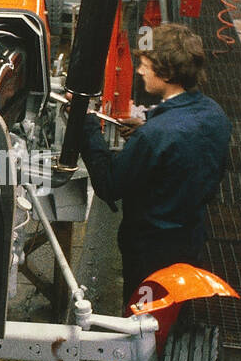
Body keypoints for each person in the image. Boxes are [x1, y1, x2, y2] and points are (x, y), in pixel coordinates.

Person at [80, 23, 231, 305]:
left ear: (167, 72)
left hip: (148, 250)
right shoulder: (215, 113)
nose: (139, 70)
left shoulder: (155, 136)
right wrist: (150, 125)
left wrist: (87, 126)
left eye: (145, 64)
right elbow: (190, 151)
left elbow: (109, 184)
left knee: (143, 318)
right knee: (173, 306)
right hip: (190, 238)